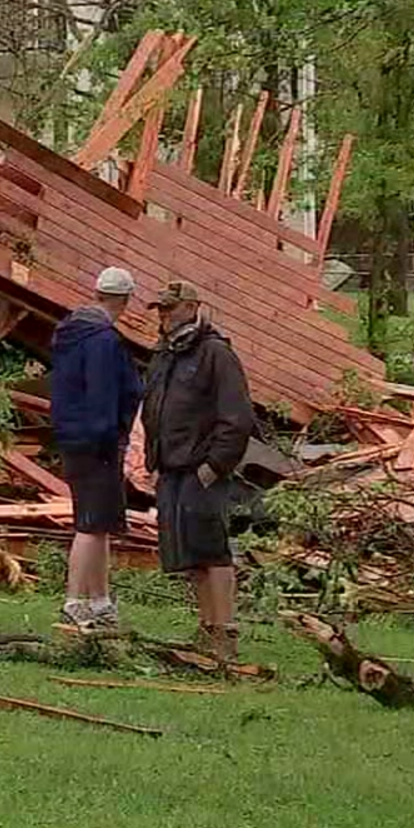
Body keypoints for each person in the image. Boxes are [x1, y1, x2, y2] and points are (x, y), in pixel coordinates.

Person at [141, 280, 255, 663]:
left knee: (212, 552)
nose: (164, 315)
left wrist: (214, 466)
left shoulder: (215, 353)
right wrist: (153, 461)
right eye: (160, 308)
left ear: (192, 308)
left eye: (170, 308)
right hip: (171, 469)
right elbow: (153, 409)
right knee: (189, 556)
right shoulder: (164, 354)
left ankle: (225, 632)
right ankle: (206, 628)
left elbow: (237, 417)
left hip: (201, 469)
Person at [49, 266, 143, 630]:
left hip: (72, 436)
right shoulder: (103, 340)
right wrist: (110, 437)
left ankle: (100, 601)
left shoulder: (70, 333)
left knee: (99, 522)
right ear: (125, 299)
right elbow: (103, 393)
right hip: (97, 442)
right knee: (89, 523)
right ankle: (75, 601)